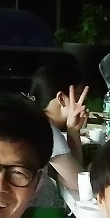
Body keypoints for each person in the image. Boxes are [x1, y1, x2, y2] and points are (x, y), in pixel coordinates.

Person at [26, 61, 90, 199]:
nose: (84, 103)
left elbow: (69, 175)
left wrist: (73, 130)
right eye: (79, 95)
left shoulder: (32, 118)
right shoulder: (46, 130)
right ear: (61, 98)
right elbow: (78, 183)